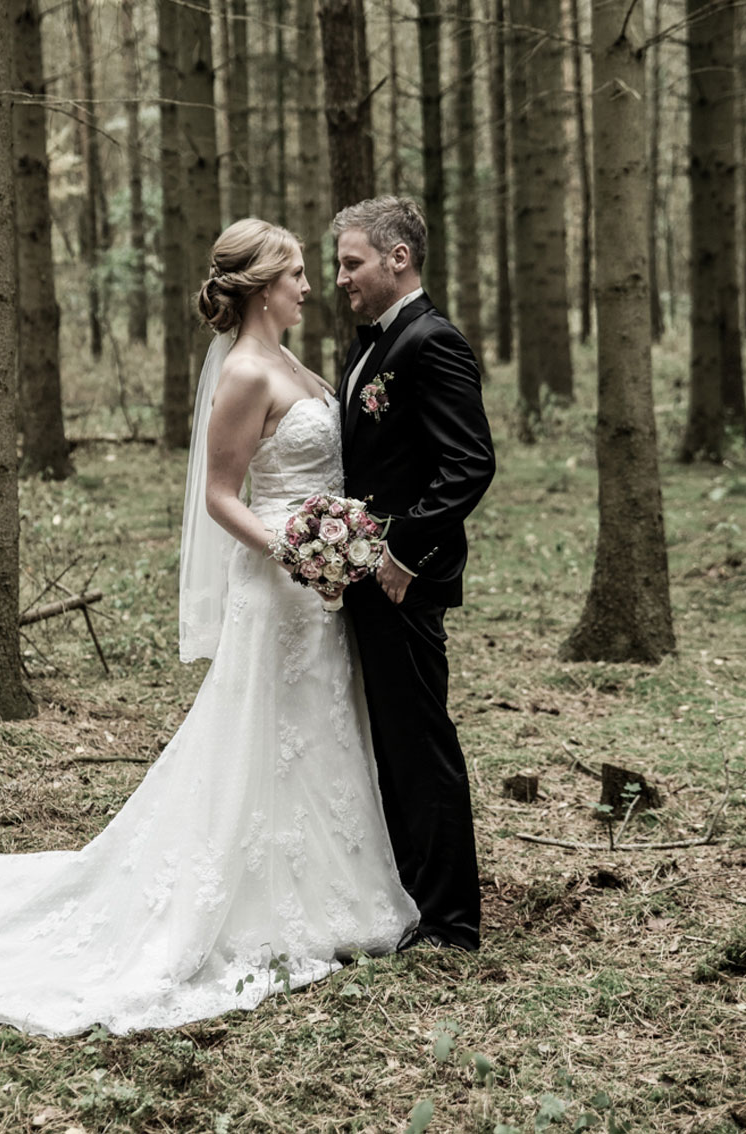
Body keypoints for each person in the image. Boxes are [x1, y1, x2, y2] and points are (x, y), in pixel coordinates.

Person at [0, 218, 418, 1038]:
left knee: (319, 730)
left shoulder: (296, 361)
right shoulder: (244, 373)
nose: (310, 286)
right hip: (280, 581)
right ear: (264, 285)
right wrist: (293, 549)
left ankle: (335, 891)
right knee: (261, 735)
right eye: (297, 273)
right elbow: (222, 496)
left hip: (320, 591)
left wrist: (334, 545)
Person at [333, 196, 495, 952]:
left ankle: (452, 920)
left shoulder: (433, 343)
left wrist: (402, 553)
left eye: (352, 262)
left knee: (421, 742)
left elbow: (469, 464)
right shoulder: (369, 346)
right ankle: (408, 893)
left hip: (403, 579)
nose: (341, 279)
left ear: (399, 259)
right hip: (363, 577)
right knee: (392, 743)